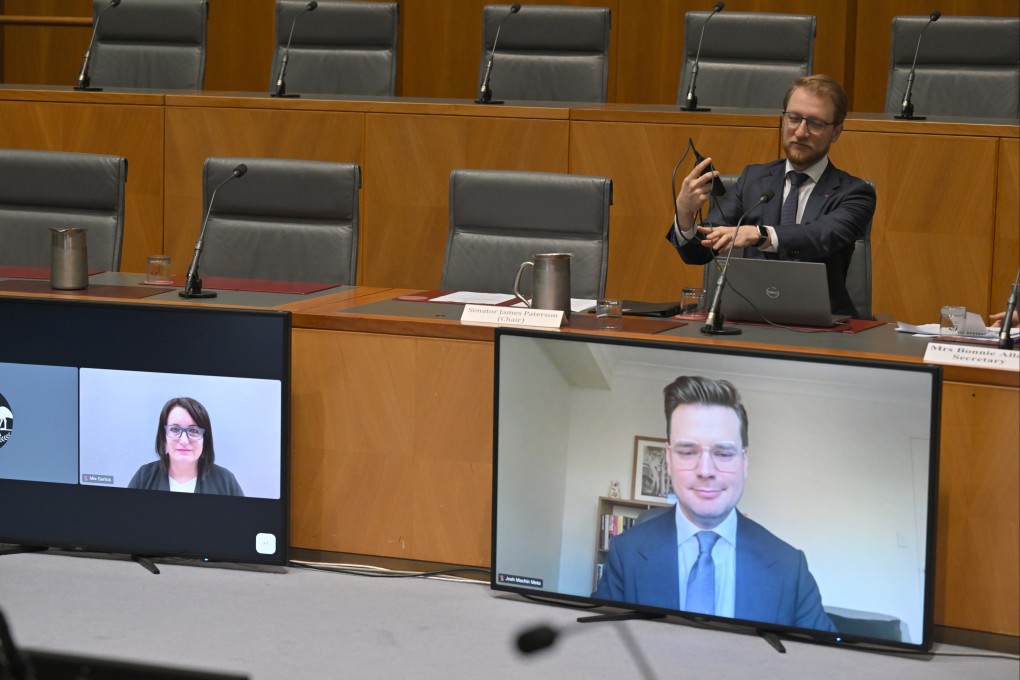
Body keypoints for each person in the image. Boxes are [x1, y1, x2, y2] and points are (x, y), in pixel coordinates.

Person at [592, 376, 834, 632]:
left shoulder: (789, 567)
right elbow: (599, 649)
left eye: (723, 453)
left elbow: (829, 663)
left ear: (745, 462)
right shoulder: (626, 553)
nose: (705, 470)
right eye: (687, 451)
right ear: (669, 459)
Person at [666, 74, 877, 318]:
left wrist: (758, 233)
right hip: (751, 319)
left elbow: (819, 237)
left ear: (837, 132)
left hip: (826, 326)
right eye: (794, 118)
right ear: (783, 119)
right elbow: (698, 253)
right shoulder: (753, 181)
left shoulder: (854, 193)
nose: (801, 131)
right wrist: (684, 214)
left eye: (816, 123)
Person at [128, 397, 244, 496]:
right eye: (174, 429)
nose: (184, 441)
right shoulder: (144, 477)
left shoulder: (226, 482)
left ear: (205, 440)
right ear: (163, 438)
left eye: (193, 430)